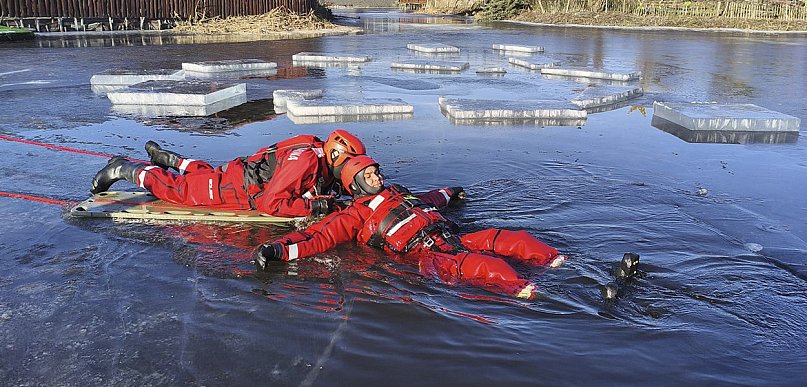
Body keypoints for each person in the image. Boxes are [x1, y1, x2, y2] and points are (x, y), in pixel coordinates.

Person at [254, 156, 567, 300]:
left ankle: (557, 263)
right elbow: (318, 237)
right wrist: (279, 249)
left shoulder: (398, 192)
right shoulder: (354, 214)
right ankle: (525, 290)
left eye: (377, 171)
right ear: (356, 182)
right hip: (426, 255)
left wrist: (449, 193)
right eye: (370, 174)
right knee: (481, 265)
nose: (378, 176)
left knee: (509, 238)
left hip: (450, 234)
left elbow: (427, 199)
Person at [90, 130, 366, 217]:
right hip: (237, 190)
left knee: (206, 175)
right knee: (180, 191)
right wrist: (313, 206)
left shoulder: (314, 147)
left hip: (239, 174)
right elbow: (271, 204)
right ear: (334, 156)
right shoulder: (303, 162)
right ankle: (123, 167)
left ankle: (166, 158)